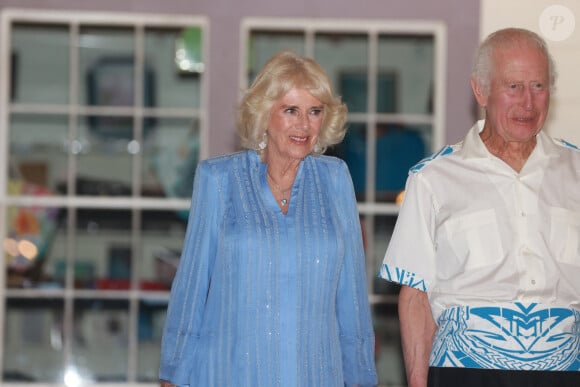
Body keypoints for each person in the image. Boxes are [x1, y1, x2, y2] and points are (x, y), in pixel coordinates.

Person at [159, 50, 378, 387]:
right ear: (264, 114)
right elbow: (191, 288)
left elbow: (351, 298)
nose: (304, 124)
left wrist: (361, 377)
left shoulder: (335, 179)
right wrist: (173, 375)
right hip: (229, 373)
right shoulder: (219, 179)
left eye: (314, 111)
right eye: (291, 110)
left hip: (316, 374)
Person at [378, 27, 580, 387]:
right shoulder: (432, 177)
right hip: (464, 373)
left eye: (538, 85)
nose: (528, 103)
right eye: (513, 87)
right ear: (480, 90)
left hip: (565, 371)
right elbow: (415, 298)